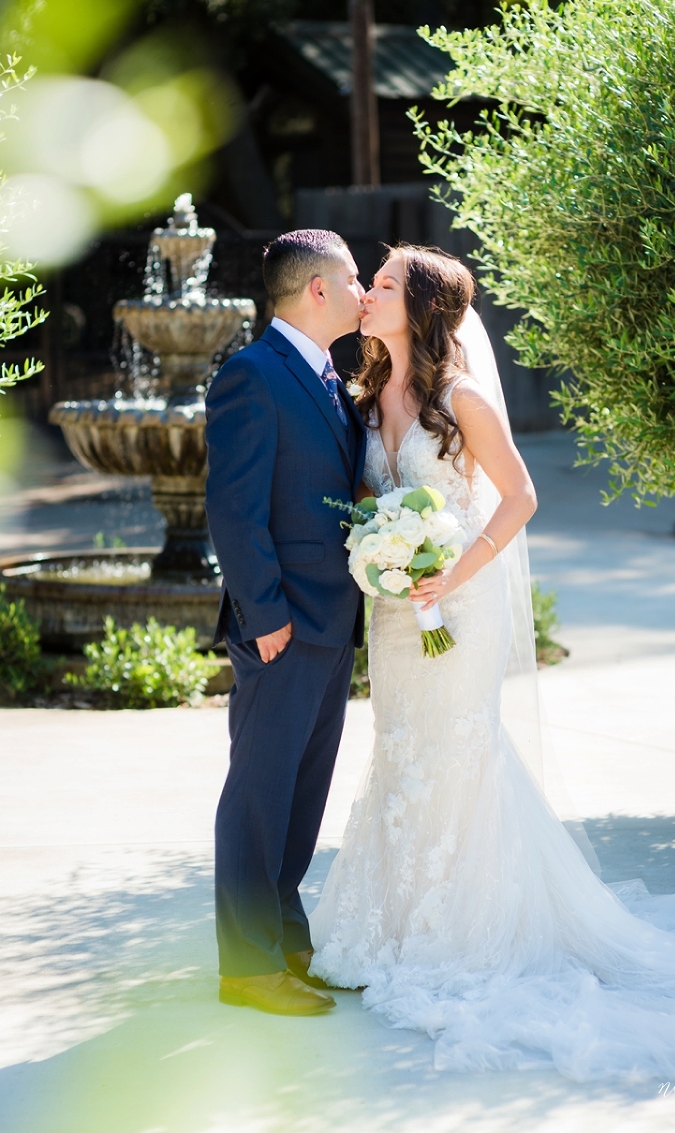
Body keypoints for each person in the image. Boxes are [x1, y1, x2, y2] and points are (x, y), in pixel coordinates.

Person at [309, 245, 675, 1079]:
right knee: (403, 747)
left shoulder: (463, 397)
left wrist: (455, 569)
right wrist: (383, 549)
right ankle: (395, 924)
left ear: (421, 308)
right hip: (398, 610)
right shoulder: (367, 396)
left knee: (457, 748)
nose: (367, 294)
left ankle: (461, 931)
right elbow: (371, 496)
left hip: (461, 602)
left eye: (382, 285)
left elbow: (520, 495)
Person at [205, 229, 366, 1016]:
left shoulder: (333, 376)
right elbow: (234, 508)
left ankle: (287, 945)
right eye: (355, 278)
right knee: (258, 796)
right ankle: (247, 969)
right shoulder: (252, 374)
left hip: (332, 619)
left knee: (301, 798)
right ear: (318, 290)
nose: (364, 291)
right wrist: (264, 612)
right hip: (282, 624)